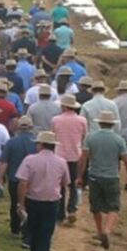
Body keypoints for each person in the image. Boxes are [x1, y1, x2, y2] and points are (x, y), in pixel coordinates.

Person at [16, 132, 70, 251]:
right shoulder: (61, 162)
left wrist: (21, 203)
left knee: (33, 233)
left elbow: (23, 183)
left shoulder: (30, 160)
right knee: (45, 237)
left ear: (40, 144)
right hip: (51, 203)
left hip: (33, 201)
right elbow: (65, 183)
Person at [78, 111, 127, 250]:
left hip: (94, 176)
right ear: (112, 124)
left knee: (95, 206)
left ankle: (99, 231)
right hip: (112, 177)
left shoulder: (90, 137)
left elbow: (83, 158)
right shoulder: (118, 140)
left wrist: (80, 176)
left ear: (99, 123)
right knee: (114, 207)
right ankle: (107, 231)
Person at [0, 116, 38, 240]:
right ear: (31, 127)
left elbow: (4, 162)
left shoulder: (11, 142)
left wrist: (0, 177)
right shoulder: (37, 142)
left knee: (15, 204)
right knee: (30, 204)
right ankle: (28, 229)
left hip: (15, 179)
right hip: (32, 180)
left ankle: (15, 228)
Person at [51, 95, 88, 223]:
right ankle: (72, 209)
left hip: (59, 155)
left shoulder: (56, 120)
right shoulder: (82, 120)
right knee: (74, 183)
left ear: (64, 106)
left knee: (60, 185)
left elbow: (53, 136)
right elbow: (84, 137)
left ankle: (60, 213)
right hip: (75, 154)